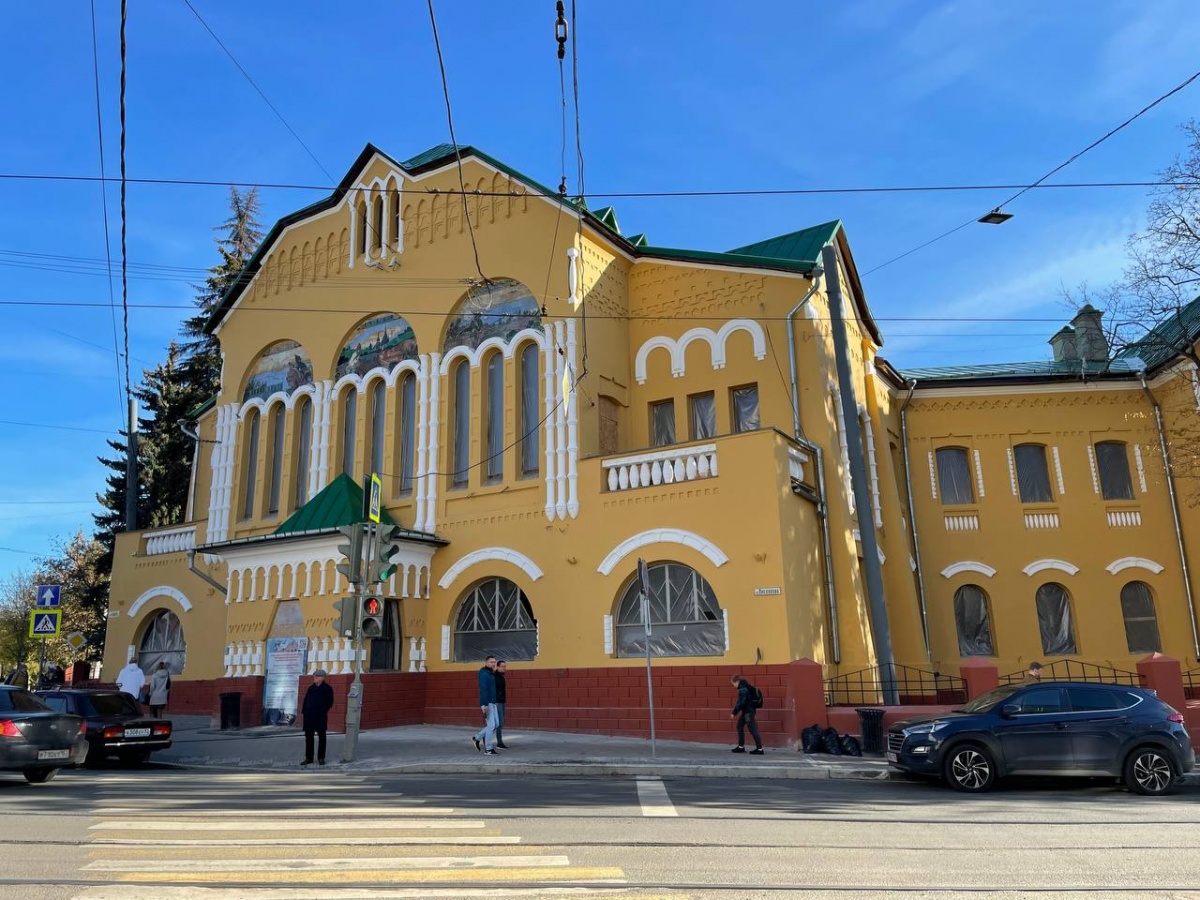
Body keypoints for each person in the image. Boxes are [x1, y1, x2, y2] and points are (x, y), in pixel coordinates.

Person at [301, 669, 335, 766]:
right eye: (314, 676)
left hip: (320, 716)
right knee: (308, 737)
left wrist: (322, 710)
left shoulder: (328, 688)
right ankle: (309, 758)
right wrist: (304, 712)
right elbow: (306, 700)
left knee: (322, 737)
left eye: (317, 676)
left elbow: (330, 703)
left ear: (322, 678)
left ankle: (321, 757)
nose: (314, 678)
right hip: (309, 716)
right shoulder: (311, 688)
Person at [729, 673, 764, 755]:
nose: (733, 686)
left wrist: (734, 713)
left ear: (737, 681)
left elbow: (741, 702)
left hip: (748, 712)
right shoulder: (745, 686)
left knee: (753, 729)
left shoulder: (743, 689)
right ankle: (741, 747)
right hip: (747, 711)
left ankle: (759, 749)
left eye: (733, 684)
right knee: (739, 725)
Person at [472, 655, 499, 755]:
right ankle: (488, 749)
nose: (493, 664)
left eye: (494, 662)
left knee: (496, 724)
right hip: (487, 703)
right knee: (491, 726)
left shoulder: (490, 673)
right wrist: (484, 705)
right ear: (486, 662)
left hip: (492, 702)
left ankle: (477, 737)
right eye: (491, 662)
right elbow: (483, 690)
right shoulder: (484, 674)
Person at [494, 660, 510, 750]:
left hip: (502, 701)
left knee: (501, 722)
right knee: (499, 723)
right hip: (497, 702)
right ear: (498, 667)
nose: (504, 668)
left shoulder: (500, 676)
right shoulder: (495, 676)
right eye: (502, 666)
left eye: (505, 666)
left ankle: (480, 736)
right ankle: (499, 743)